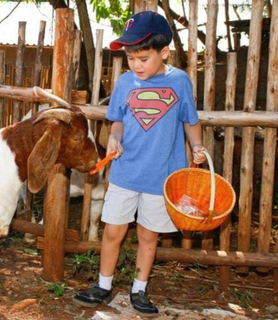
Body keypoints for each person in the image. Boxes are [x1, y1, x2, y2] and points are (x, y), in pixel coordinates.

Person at [72, 11, 206, 317]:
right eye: (132, 58)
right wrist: (115, 139)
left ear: (164, 52)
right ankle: (103, 285)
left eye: (143, 58)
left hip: (163, 175)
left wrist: (197, 146)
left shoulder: (179, 81)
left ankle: (139, 289)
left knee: (148, 235)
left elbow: (191, 121)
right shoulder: (124, 82)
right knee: (112, 231)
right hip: (125, 172)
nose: (136, 65)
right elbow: (116, 122)